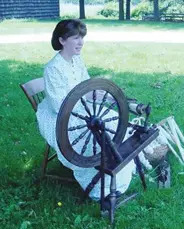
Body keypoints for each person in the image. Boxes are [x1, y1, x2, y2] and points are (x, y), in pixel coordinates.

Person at [36, 19, 152, 201]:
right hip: (59, 117)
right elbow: (59, 107)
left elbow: (87, 88)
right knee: (97, 133)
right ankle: (100, 184)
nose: (81, 42)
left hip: (79, 107)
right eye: (76, 38)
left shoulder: (77, 60)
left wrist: (109, 95)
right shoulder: (52, 69)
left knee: (116, 120)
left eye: (82, 37)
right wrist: (85, 105)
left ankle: (125, 166)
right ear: (62, 40)